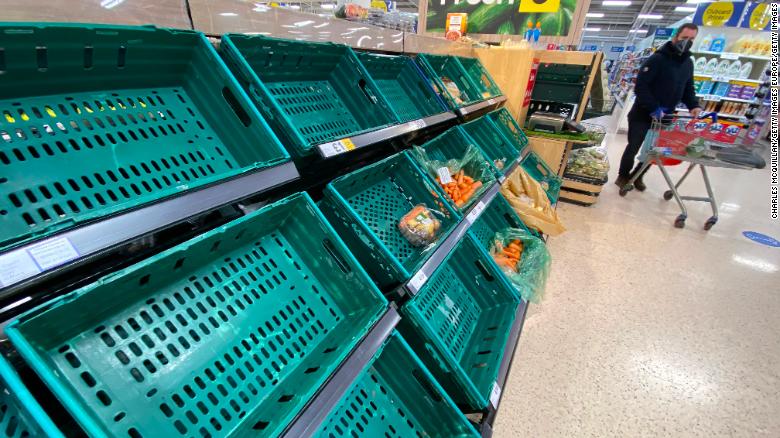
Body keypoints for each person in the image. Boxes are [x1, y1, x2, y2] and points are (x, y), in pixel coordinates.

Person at [616, 23, 703, 191]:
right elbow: (641, 86)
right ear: (676, 37)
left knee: (653, 151)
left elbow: (688, 88)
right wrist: (653, 107)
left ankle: (638, 175)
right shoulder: (657, 59)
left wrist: (694, 105)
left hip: (666, 116)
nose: (687, 42)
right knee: (633, 146)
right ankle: (623, 175)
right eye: (685, 38)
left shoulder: (688, 64)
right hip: (642, 113)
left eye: (691, 39)